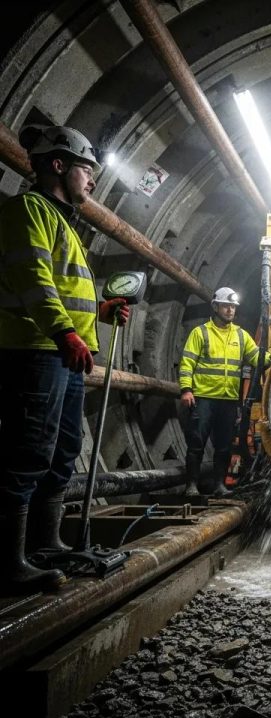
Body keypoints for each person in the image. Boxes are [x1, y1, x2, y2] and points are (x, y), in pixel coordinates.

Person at [0, 124, 129, 596]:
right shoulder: (28, 211)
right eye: (86, 169)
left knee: (62, 451)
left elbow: (63, 289)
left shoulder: (65, 223)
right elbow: (33, 280)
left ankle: (45, 544)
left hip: (64, 353)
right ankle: (10, 561)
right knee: (27, 451)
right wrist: (64, 333)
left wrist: (99, 312)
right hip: (37, 351)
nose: (91, 180)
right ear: (58, 165)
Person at [178, 287, 261, 497]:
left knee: (224, 446)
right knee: (197, 443)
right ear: (215, 307)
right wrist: (186, 389)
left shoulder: (241, 336)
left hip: (228, 400)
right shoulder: (201, 333)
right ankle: (192, 486)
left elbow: (258, 358)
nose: (230, 310)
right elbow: (187, 363)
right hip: (204, 398)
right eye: (226, 306)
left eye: (233, 307)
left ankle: (219, 485)